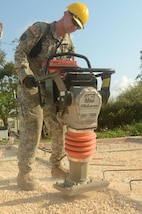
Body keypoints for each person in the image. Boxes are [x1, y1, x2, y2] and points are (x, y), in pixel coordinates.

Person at [14, 2, 89, 191]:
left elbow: (67, 66)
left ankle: (56, 165)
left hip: (51, 86)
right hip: (30, 84)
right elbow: (20, 52)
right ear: (66, 13)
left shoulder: (69, 43)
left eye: (78, 26)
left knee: (58, 124)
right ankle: (24, 173)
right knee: (34, 122)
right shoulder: (40, 30)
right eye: (73, 21)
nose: (74, 27)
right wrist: (26, 75)